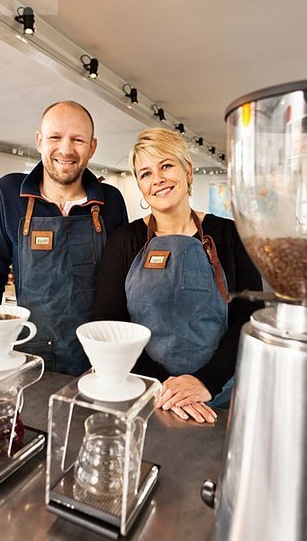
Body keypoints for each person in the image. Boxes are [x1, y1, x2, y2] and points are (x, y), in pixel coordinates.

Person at [94, 128, 262, 422]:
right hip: (145, 392)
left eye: (166, 165)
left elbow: (248, 317)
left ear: (188, 171)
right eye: (145, 173)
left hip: (216, 397)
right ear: (141, 186)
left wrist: (204, 382)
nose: (157, 178)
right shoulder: (125, 240)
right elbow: (110, 322)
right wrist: (165, 387)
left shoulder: (229, 234)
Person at [0, 100, 128, 375]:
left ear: (92, 147)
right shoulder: (9, 193)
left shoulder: (110, 201)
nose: (66, 149)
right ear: (39, 141)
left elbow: (122, 284)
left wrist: (114, 355)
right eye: (55, 137)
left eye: (78, 139)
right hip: (24, 354)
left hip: (95, 360)